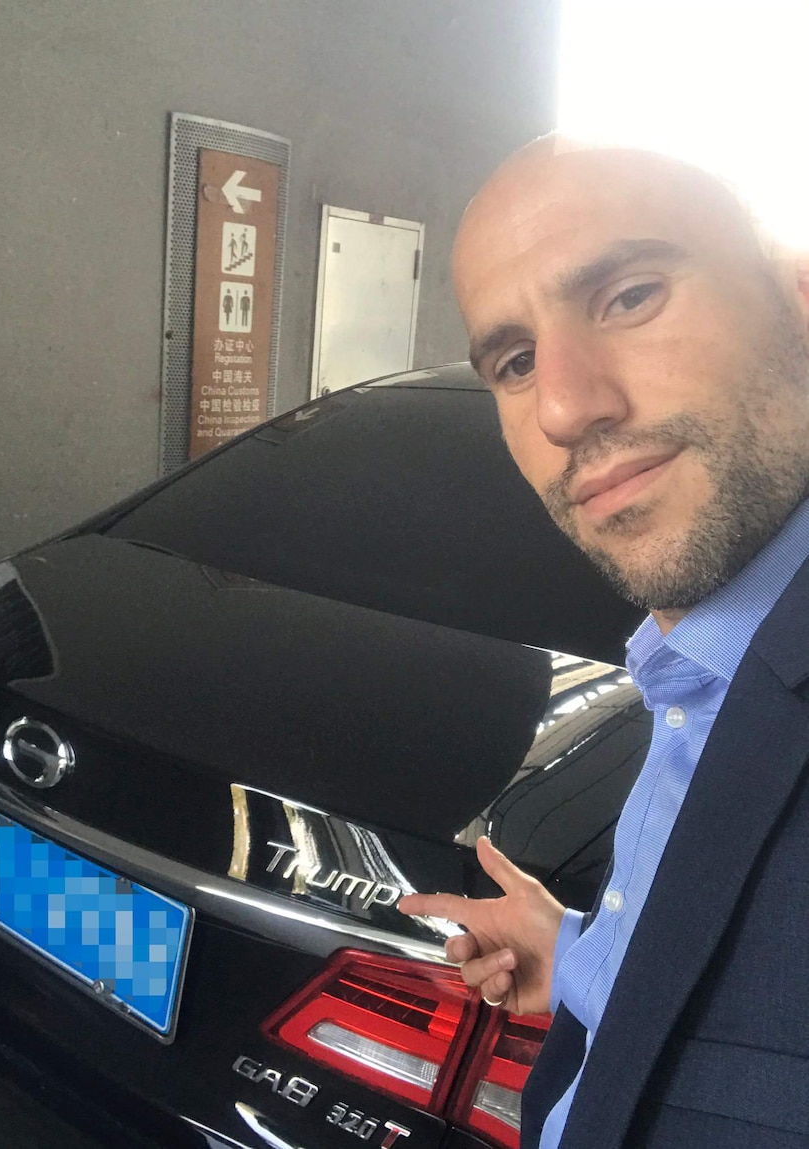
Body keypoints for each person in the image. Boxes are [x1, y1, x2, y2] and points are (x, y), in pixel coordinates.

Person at [398, 136, 809, 1147]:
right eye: (514, 360)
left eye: (629, 295)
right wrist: (592, 961)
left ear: (797, 299)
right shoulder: (687, 673)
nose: (564, 405)